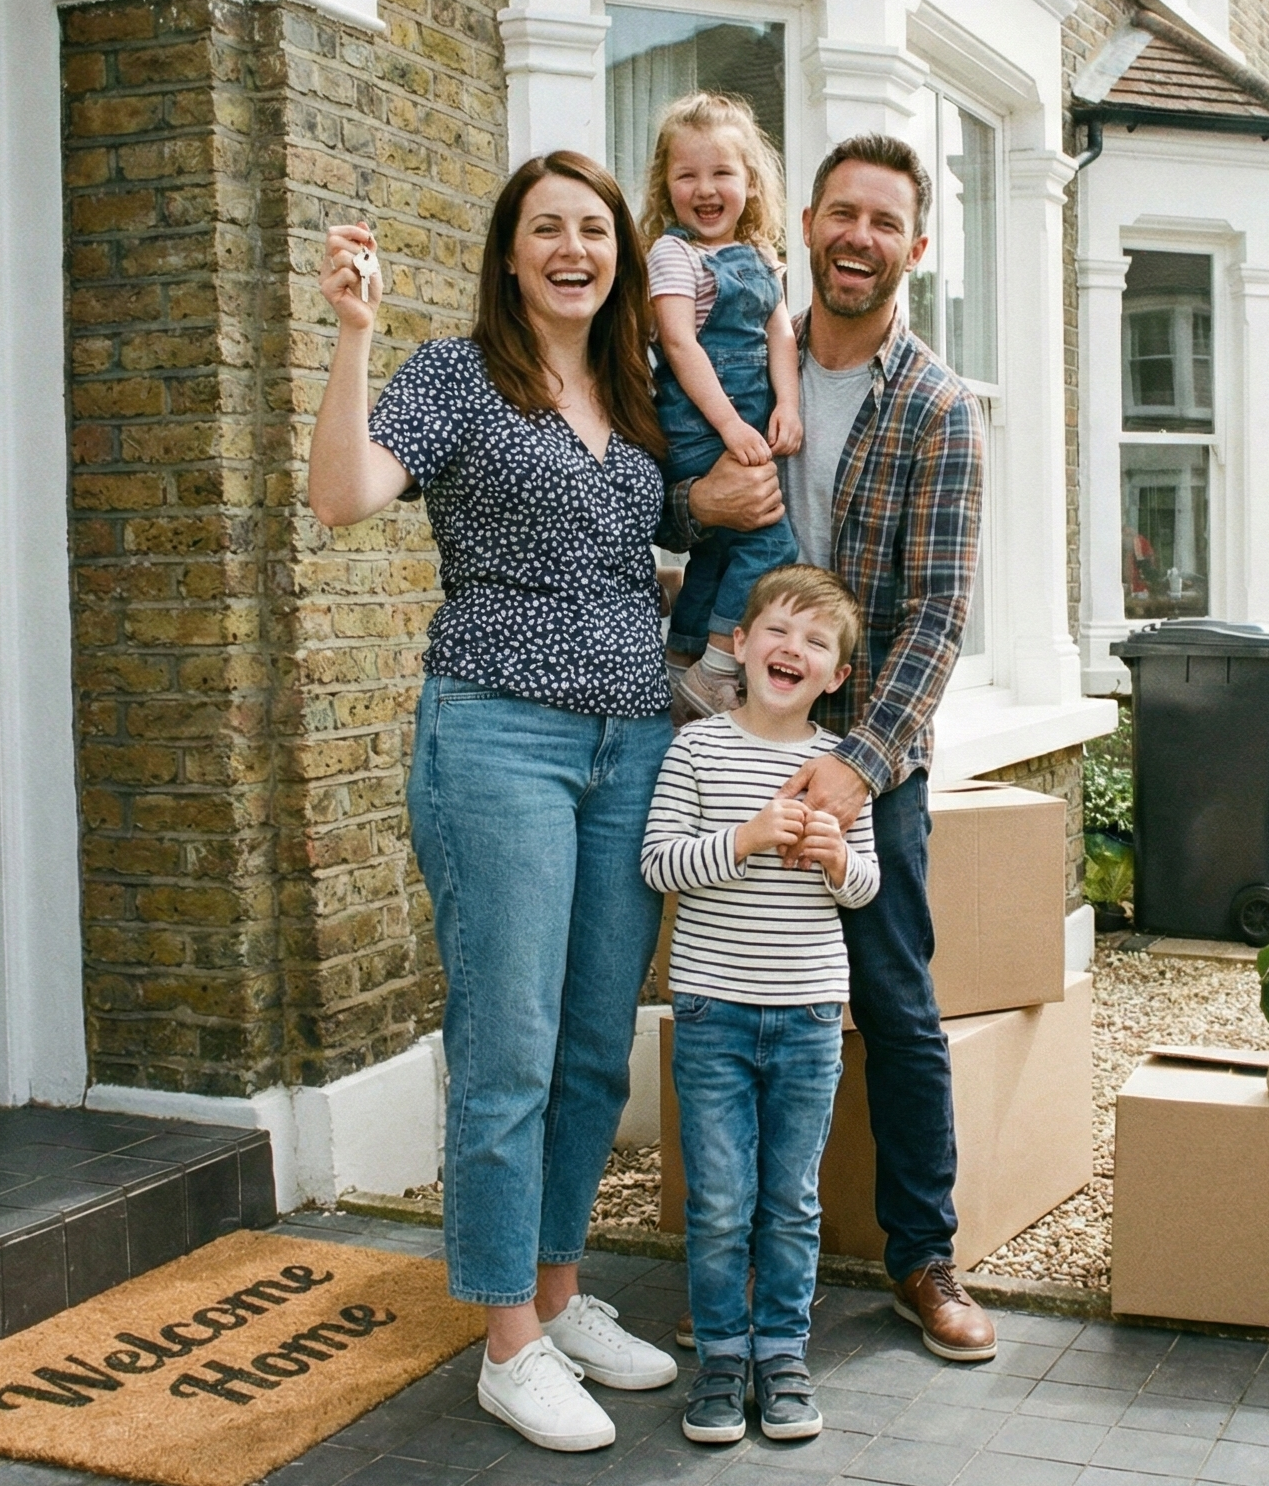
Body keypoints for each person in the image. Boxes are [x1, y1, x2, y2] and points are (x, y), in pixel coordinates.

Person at [307, 152, 679, 1455]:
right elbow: (342, 495)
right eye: (547, 230)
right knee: (510, 1042)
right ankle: (506, 1336)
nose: (573, 247)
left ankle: (562, 1292)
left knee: (590, 1042)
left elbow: (616, 566)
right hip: (498, 741)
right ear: (511, 255)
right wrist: (352, 337)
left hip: (627, 742)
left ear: (616, 255)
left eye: (593, 228)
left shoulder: (633, 393)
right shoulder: (455, 375)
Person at [661, 134, 998, 1361]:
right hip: (721, 733)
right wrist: (695, 506)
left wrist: (855, 769)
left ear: (914, 248)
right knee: (710, 987)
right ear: (804, 224)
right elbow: (658, 505)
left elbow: (939, 616)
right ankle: (720, 1253)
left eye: (884, 222)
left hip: (862, 753)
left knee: (896, 1002)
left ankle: (923, 1257)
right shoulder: (741, 357)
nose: (858, 237)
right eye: (840, 213)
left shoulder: (938, 408)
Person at [641, 565, 879, 1444]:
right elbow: (659, 864)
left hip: (811, 1015)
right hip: (713, 1014)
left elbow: (867, 889)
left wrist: (832, 857)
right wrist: (744, 839)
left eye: (818, 643)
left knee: (789, 1199)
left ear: (837, 676)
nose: (795, 650)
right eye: (778, 631)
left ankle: (783, 1355)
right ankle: (722, 1362)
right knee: (718, 1200)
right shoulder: (697, 749)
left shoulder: (842, 774)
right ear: (739, 645)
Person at [643, 92, 804, 720]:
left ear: (749, 182)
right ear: (667, 184)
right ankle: (716, 671)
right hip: (701, 428)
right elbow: (679, 343)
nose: (704, 189)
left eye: (721, 174)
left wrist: (786, 404)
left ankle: (680, 659)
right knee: (770, 546)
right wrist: (733, 425)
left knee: (719, 552)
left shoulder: (763, 258)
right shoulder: (673, 255)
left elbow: (780, 335)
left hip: (745, 426)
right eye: (687, 175)